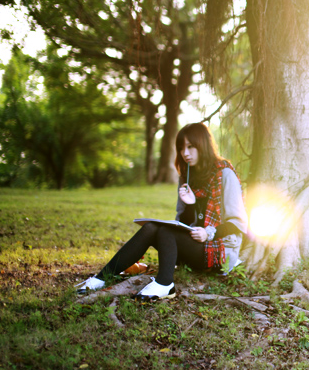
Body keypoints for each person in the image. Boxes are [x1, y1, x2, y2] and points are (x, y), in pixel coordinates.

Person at [75, 123, 248, 300]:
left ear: (203, 145)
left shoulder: (224, 174)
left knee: (166, 231)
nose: (185, 153)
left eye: (190, 147)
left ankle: (165, 284)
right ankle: (101, 278)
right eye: (181, 148)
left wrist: (208, 233)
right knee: (151, 227)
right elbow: (184, 222)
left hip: (220, 251)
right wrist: (190, 204)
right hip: (195, 245)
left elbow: (238, 224)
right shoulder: (187, 176)